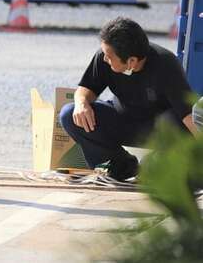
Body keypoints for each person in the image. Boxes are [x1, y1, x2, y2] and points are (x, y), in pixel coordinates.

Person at [59, 17, 198, 181]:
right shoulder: (104, 56)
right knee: (69, 114)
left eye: (109, 57)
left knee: (181, 124)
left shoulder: (166, 64)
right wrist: (81, 103)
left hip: (158, 131)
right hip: (122, 120)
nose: (105, 59)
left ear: (131, 61)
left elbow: (189, 118)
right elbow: (85, 90)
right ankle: (122, 164)